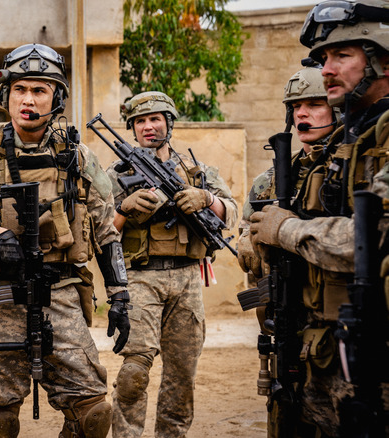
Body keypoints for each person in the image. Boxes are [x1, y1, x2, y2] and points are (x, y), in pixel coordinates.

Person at [0, 43, 132, 438]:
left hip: (62, 293)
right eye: (20, 89)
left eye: (40, 90)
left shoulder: (79, 155)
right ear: (6, 94)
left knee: (93, 415)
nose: (29, 100)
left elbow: (105, 226)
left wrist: (120, 292)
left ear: (56, 97)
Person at [249, 1, 389, 436]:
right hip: (326, 344)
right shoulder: (352, 140)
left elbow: (372, 237)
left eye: (342, 55)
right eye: (323, 58)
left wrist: (285, 230)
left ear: (383, 59)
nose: (327, 69)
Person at [106, 91, 238, 437]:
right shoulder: (115, 175)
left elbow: (232, 212)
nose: (148, 127)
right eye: (140, 122)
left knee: (182, 375)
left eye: (155, 119)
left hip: (187, 279)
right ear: (132, 129)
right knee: (134, 372)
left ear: (169, 123)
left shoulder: (196, 170)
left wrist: (207, 198)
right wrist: (124, 209)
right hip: (139, 279)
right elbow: (98, 233)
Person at [238, 64, 337, 289]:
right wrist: (246, 237)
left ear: (336, 110)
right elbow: (247, 220)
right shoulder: (271, 177)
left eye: (314, 104)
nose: (301, 113)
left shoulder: (346, 167)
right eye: (295, 106)